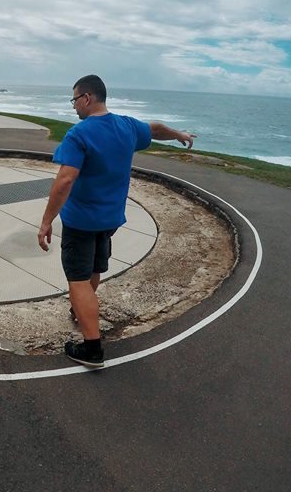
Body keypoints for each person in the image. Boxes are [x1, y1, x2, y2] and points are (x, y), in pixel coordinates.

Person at [38, 75, 195, 367]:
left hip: (82, 221)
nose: (73, 107)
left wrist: (47, 220)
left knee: (78, 278)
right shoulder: (126, 126)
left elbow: (65, 180)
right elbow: (156, 129)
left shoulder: (79, 134)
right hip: (110, 218)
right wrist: (178, 134)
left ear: (86, 98)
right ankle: (80, 310)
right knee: (95, 267)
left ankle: (92, 348)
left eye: (74, 100)